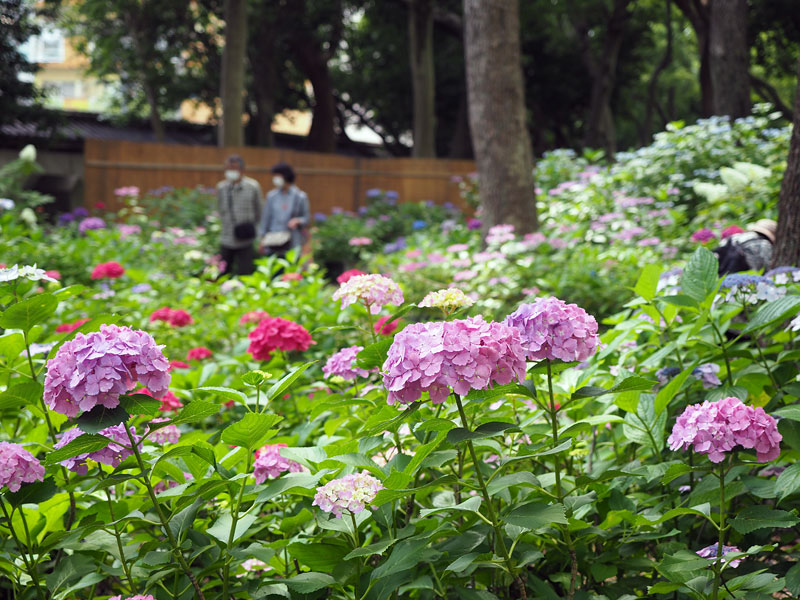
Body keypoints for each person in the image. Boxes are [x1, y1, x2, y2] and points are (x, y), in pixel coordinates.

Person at [217, 155, 262, 276]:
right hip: (226, 237)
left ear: (242, 170)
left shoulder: (252, 186)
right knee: (223, 273)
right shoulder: (222, 187)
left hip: (245, 238)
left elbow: (259, 210)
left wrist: (256, 231)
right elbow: (220, 209)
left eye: (234, 168)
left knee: (244, 273)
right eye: (228, 168)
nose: (231, 171)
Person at [257, 162, 310, 257]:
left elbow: (307, 219)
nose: (275, 179)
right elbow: (266, 219)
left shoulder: (300, 197)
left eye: (278, 176)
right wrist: (262, 239)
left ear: (286, 176)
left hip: (292, 243)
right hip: (273, 242)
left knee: (290, 271)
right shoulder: (271, 196)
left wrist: (298, 220)